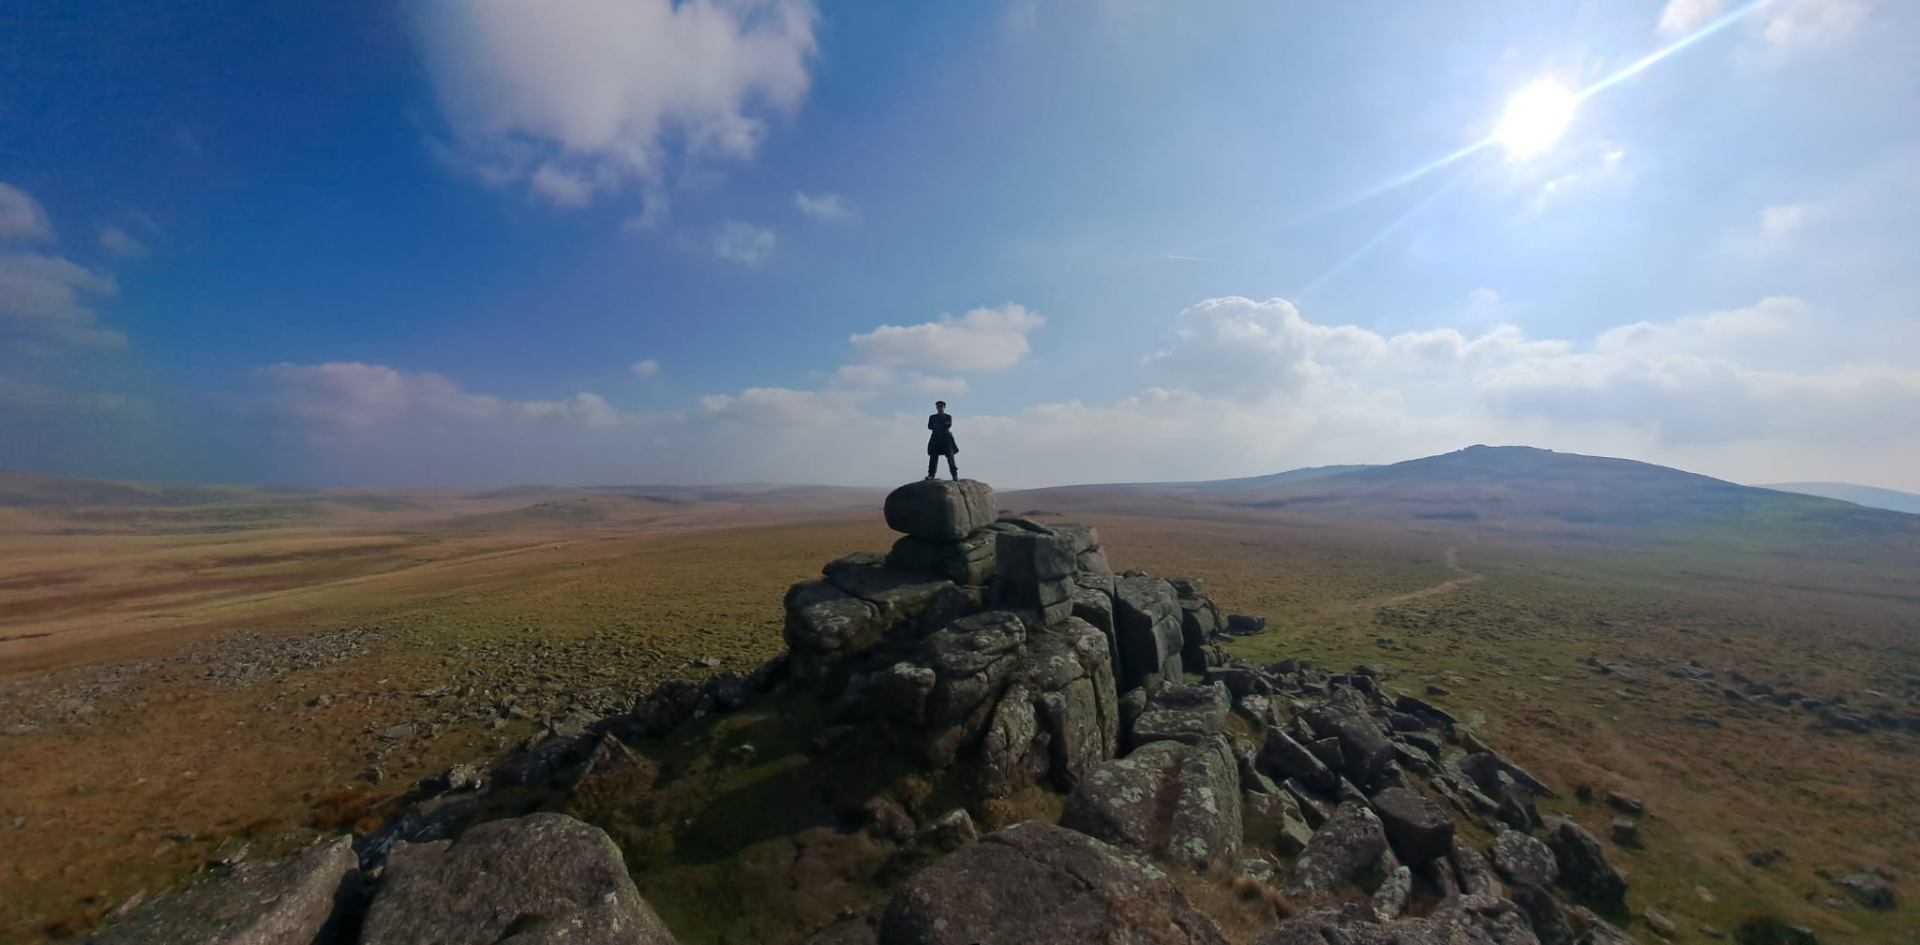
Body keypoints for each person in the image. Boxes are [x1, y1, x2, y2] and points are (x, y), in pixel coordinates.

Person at [926, 401, 959, 480]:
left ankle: (954, 475)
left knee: (950, 456)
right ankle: (931, 475)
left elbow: (948, 425)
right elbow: (930, 426)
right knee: (933, 457)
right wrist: (941, 425)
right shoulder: (932, 417)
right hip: (935, 439)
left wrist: (937, 425)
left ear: (944, 407)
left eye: (941, 406)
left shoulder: (948, 416)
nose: (939, 408)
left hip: (946, 439)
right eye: (938, 406)